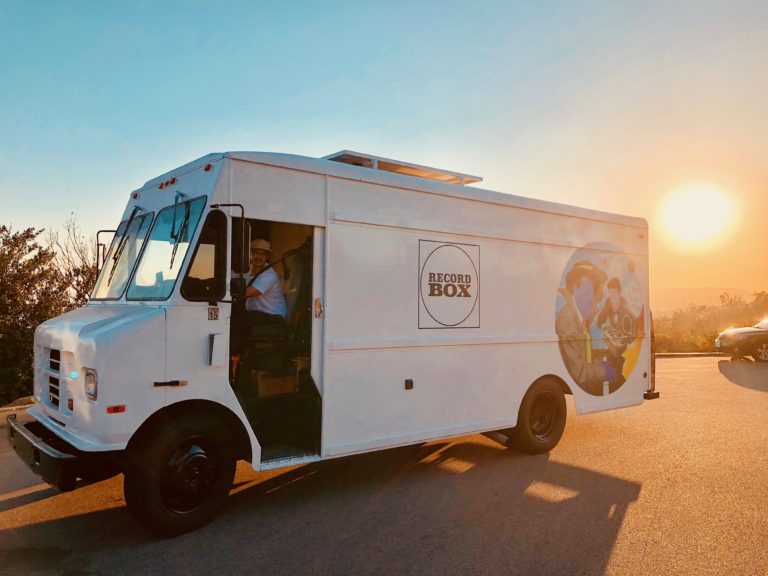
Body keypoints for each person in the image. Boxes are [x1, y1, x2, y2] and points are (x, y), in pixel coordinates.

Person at [556, 260, 617, 396]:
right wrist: (602, 371)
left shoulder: (579, 318)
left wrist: (596, 363)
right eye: (587, 294)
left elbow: (582, 355)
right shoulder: (568, 322)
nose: (593, 300)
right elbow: (579, 373)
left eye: (593, 294)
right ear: (574, 291)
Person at [245, 239, 287, 324]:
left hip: (273, 316)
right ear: (250, 254)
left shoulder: (269, 275)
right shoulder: (247, 269)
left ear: (267, 256)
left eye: (263, 254)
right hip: (256, 314)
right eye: (256, 253)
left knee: (234, 322)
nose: (259, 257)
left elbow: (247, 293)